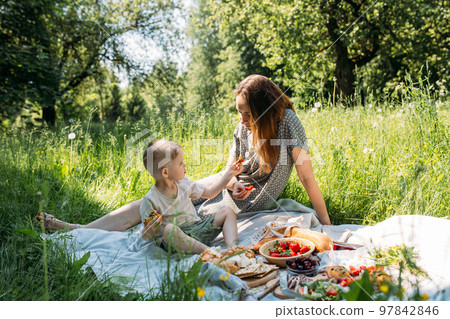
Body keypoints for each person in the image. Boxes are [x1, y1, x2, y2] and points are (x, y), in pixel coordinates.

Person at [37, 74, 331, 237]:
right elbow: (231, 170)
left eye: (246, 113)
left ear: (263, 108)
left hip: (251, 207)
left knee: (173, 216)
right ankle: (78, 230)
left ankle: (80, 231)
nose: (241, 119)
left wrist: (328, 225)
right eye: (238, 112)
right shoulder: (242, 130)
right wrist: (233, 184)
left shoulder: (288, 122)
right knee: (153, 202)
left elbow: (306, 175)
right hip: (225, 191)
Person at [139, 139, 242, 254]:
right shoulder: (150, 200)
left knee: (227, 212)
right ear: (165, 172)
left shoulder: (184, 183)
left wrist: (229, 174)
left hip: (198, 229)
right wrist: (152, 228)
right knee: (168, 230)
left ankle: (232, 248)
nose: (185, 165)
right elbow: (146, 236)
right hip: (176, 241)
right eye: (180, 163)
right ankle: (210, 253)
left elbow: (210, 193)